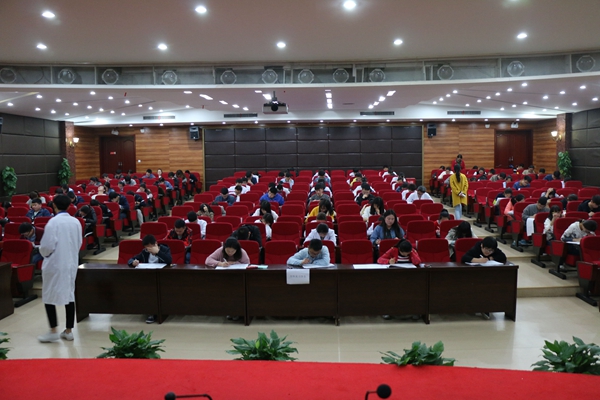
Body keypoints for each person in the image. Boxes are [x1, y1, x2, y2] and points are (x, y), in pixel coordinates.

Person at [37, 194, 83, 343]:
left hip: (55, 264)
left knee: (49, 295)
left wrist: (44, 254)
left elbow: (46, 246)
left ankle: (53, 330)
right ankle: (69, 331)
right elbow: (79, 242)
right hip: (70, 263)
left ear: (54, 206)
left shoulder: (53, 222)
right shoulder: (76, 222)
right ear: (69, 206)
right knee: (69, 295)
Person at [127, 234, 172, 324]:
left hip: (162, 276)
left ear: (156, 244)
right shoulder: (145, 252)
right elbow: (131, 259)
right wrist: (133, 262)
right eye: (146, 247)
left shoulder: (164, 249)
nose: (149, 249)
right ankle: (151, 312)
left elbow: (169, 260)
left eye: (150, 247)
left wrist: (158, 252)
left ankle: (157, 312)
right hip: (149, 276)